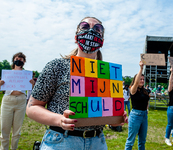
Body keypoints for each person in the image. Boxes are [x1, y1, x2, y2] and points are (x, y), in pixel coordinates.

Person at [26, 17, 128, 150]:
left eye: (97, 29)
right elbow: (32, 107)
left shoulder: (108, 74)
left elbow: (101, 112)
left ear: (102, 41)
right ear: (76, 37)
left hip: (98, 142)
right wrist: (59, 120)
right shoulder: (57, 66)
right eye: (85, 26)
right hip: (61, 141)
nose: (91, 31)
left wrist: (114, 120)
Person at [0, 52, 35, 150]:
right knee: (4, 128)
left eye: (21, 59)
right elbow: (2, 88)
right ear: (13, 60)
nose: (19, 60)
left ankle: (14, 148)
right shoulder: (7, 74)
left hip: (21, 101)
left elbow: (31, 90)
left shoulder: (27, 75)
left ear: (24, 61)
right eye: (17, 58)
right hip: (8, 100)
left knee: (17, 130)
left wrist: (32, 85)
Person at [125, 61, 149, 150]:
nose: (142, 80)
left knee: (142, 141)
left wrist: (147, 109)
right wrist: (141, 68)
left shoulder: (145, 91)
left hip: (144, 116)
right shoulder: (133, 90)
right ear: (136, 80)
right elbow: (135, 83)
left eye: (143, 79)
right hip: (135, 116)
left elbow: (147, 101)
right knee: (130, 141)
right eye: (140, 79)